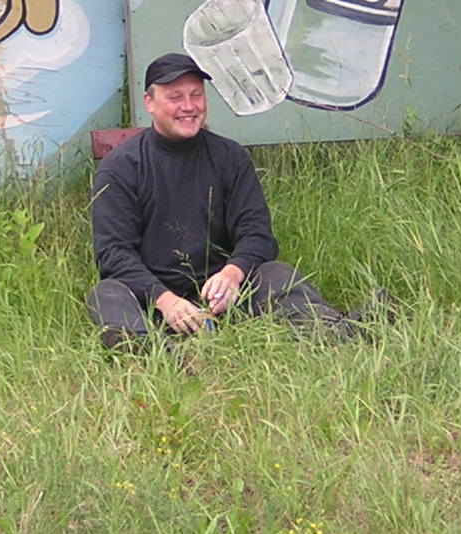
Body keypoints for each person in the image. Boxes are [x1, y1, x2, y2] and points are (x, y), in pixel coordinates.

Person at [86, 52, 355, 349]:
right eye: (175, 97)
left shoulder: (230, 157)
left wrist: (233, 273)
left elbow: (258, 234)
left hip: (226, 298)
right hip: (154, 303)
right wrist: (165, 300)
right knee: (106, 294)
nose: (188, 106)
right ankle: (155, 351)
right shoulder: (120, 167)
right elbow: (113, 254)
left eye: (196, 95)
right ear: (149, 102)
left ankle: (337, 331)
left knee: (278, 274)